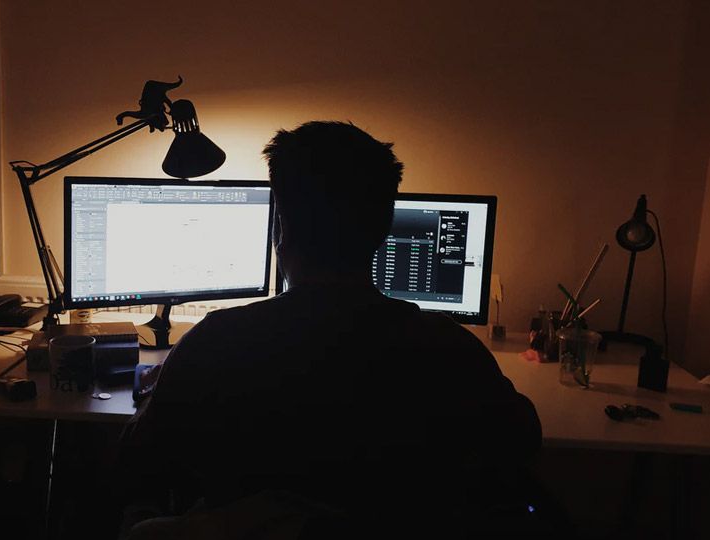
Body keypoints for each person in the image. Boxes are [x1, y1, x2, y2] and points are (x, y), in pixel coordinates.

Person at [120, 121, 541, 537]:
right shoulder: (448, 347)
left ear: (281, 230)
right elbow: (522, 440)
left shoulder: (215, 341)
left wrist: (162, 386)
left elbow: (138, 458)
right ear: (383, 230)